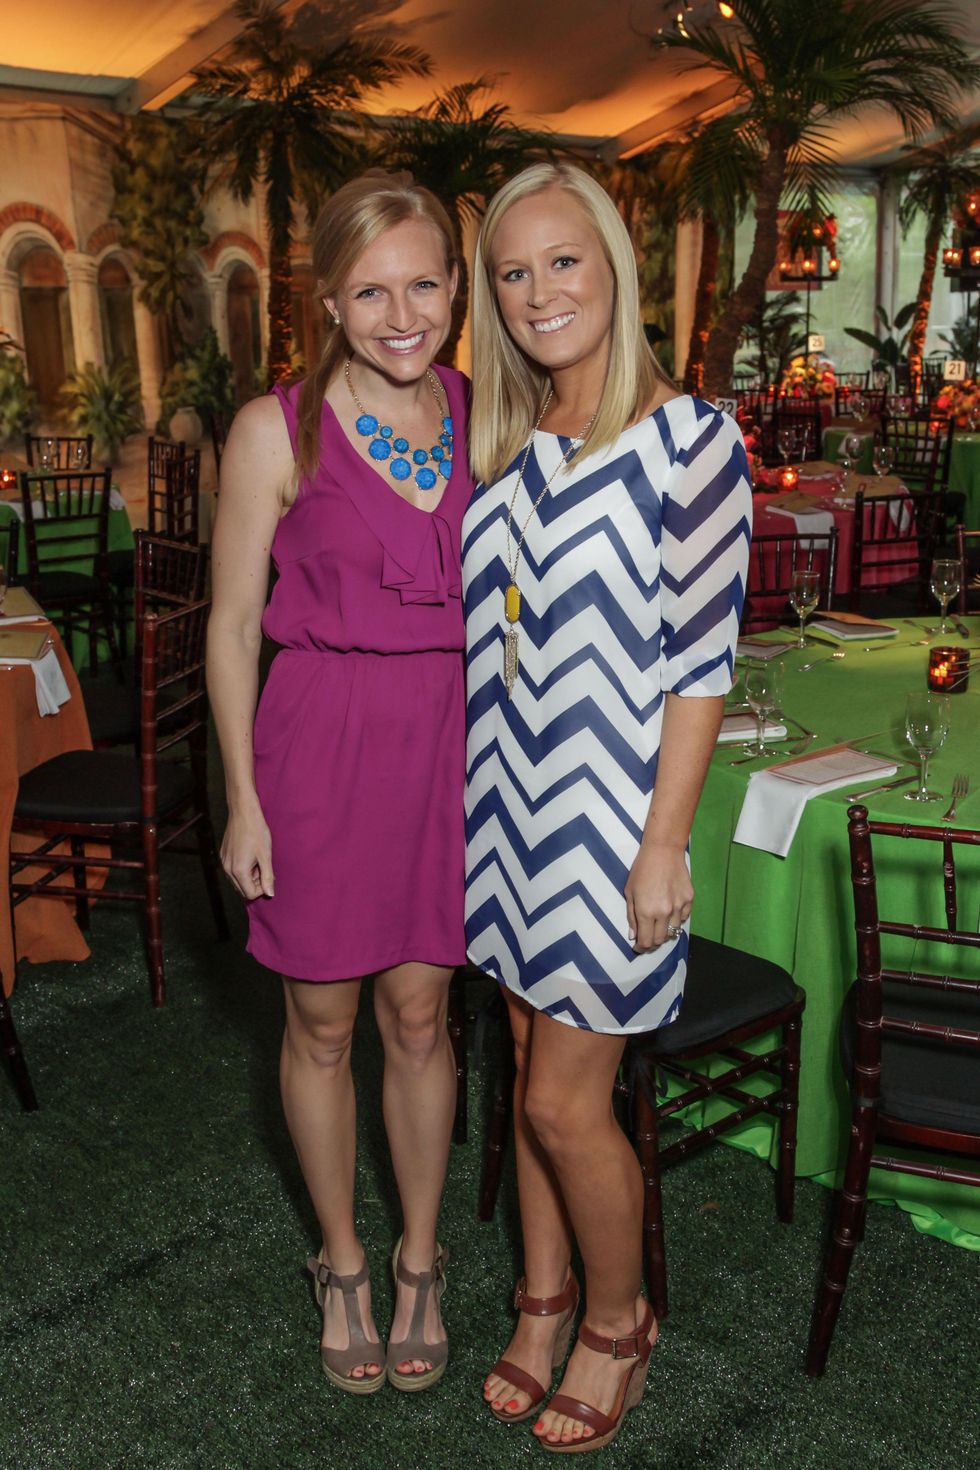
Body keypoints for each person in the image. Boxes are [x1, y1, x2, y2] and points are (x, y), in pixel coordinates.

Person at [462, 163, 751, 1451]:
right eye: (513, 273)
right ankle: (539, 1301)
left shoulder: (690, 444)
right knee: (523, 1071)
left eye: (562, 261)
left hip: (607, 823)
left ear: (614, 267)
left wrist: (660, 848)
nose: (539, 293)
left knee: (562, 1104)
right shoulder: (511, 446)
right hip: (503, 809)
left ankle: (618, 1322)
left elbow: (698, 665)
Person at [207, 170, 472, 1395]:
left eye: (423, 282)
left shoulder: (488, 412)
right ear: (328, 298)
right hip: (317, 742)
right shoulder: (277, 426)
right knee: (320, 1026)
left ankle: (421, 1260)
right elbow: (229, 624)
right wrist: (242, 802)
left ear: (457, 287)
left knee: (420, 1018)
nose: (400, 312)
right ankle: (343, 1262)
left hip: (452, 746)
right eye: (371, 290)